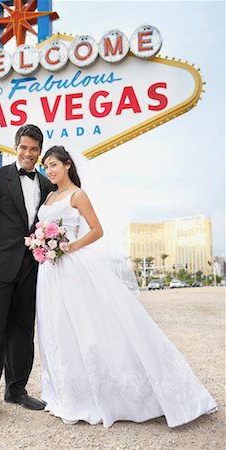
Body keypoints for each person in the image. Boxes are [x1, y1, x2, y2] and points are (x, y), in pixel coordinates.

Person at [35, 145, 217, 428]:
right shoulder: (48, 196)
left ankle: (118, 392)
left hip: (72, 266)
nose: (49, 170)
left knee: (89, 327)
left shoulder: (78, 195)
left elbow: (97, 230)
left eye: (54, 165)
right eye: (46, 166)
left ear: (68, 165)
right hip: (49, 273)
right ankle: (70, 392)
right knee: (59, 328)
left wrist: (68, 247)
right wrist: (42, 245)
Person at [0, 124, 54, 426]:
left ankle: (16, 389)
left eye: (34, 149)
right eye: (23, 147)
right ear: (16, 147)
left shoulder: (46, 185)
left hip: (32, 270)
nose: (28, 153)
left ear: (39, 152)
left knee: (22, 331)